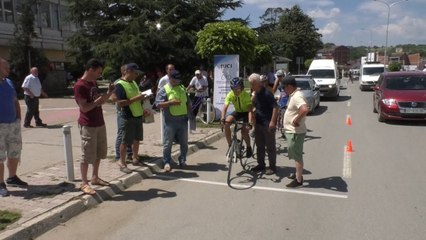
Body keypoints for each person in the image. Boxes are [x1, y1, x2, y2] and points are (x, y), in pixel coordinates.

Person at [73, 58, 114, 195]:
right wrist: (97, 101)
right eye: (98, 72)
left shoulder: (93, 83)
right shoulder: (80, 85)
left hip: (99, 122)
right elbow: (84, 108)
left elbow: (99, 102)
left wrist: (108, 93)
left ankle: (95, 177)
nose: (99, 75)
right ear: (90, 69)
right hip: (88, 124)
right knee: (87, 154)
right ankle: (84, 183)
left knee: (99, 152)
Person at [0, 58, 28, 197]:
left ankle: (12, 177)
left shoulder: (9, 82)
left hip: (13, 125)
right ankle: (0, 184)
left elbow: (15, 101)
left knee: (15, 152)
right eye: (6, 67)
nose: (9, 69)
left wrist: (18, 119)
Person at [115, 63, 148, 174]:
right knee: (125, 141)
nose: (137, 75)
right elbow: (120, 103)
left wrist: (143, 99)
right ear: (128, 71)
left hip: (137, 114)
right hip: (127, 116)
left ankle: (135, 158)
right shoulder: (120, 84)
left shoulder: (133, 82)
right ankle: (122, 162)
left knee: (137, 139)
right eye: (135, 73)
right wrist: (136, 98)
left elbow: (137, 97)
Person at [155, 70, 190, 172]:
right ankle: (167, 161)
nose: (178, 81)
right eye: (176, 79)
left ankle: (182, 159)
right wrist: (170, 103)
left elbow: (187, 102)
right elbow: (158, 104)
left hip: (183, 120)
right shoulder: (164, 90)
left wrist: (190, 115)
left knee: (184, 143)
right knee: (168, 143)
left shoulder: (182, 88)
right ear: (170, 78)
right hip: (170, 121)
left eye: (179, 79)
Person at [249, 73, 279, 175]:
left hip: (267, 123)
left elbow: (275, 107)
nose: (251, 86)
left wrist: (272, 122)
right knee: (259, 145)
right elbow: (255, 106)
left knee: (270, 147)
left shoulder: (267, 93)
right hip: (258, 123)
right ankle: (261, 164)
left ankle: (272, 167)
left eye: (252, 84)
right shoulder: (256, 93)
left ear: (258, 83)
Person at [282, 75, 309, 188]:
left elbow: (304, 109)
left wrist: (295, 120)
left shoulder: (297, 96)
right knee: (295, 154)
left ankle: (298, 180)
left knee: (297, 156)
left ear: (289, 86)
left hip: (296, 132)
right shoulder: (294, 94)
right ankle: (298, 174)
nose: (283, 90)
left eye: (284, 87)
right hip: (293, 131)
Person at [221, 77, 253, 158]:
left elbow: (250, 111)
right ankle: (230, 145)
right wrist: (222, 118)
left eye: (238, 89)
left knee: (244, 132)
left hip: (246, 113)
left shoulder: (246, 95)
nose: (235, 91)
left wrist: (249, 122)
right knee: (227, 124)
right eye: (233, 89)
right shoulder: (230, 94)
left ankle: (249, 147)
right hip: (238, 112)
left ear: (242, 88)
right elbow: (225, 107)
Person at [109, 65, 132, 163]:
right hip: (121, 111)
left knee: (129, 134)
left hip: (131, 111)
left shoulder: (130, 82)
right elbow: (113, 98)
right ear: (124, 72)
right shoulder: (118, 82)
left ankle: (129, 153)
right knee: (121, 134)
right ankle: (118, 155)